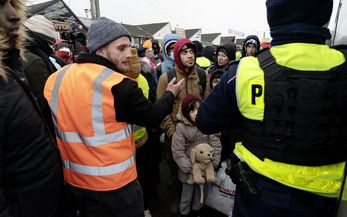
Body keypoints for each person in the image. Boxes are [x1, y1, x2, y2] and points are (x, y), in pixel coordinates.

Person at [196, 0, 347, 217]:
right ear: (325, 16)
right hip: (325, 202)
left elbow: (205, 120)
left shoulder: (247, 71)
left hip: (257, 200)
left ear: (272, 15)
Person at [44, 17, 184, 217]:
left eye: (129, 47)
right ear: (100, 50)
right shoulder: (119, 85)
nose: (129, 54)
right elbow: (153, 117)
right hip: (116, 190)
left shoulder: (56, 79)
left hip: (75, 186)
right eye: (121, 48)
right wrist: (170, 93)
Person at [0, 1, 63, 217]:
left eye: (12, 4)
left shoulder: (12, 70)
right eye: (0, 5)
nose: (14, 15)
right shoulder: (33, 64)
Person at [156, 37, 210, 214]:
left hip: (197, 135)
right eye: (184, 52)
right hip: (176, 136)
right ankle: (178, 198)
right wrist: (172, 132)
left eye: (192, 52)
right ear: (177, 56)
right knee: (176, 172)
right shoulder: (167, 78)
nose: (190, 56)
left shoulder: (202, 76)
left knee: (196, 169)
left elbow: (207, 104)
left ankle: (195, 204)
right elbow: (161, 108)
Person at [172, 94, 221, 217]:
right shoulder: (181, 127)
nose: (195, 113)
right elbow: (177, 151)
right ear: (185, 112)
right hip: (188, 169)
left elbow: (215, 143)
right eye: (192, 110)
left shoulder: (207, 123)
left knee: (202, 192)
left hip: (206, 166)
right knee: (187, 194)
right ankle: (184, 212)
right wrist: (190, 168)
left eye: (198, 109)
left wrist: (213, 163)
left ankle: (197, 210)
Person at [23, 14, 65, 135]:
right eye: (50, 44)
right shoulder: (35, 61)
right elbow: (45, 101)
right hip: (42, 128)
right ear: (42, 40)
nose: (51, 49)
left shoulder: (24, 55)